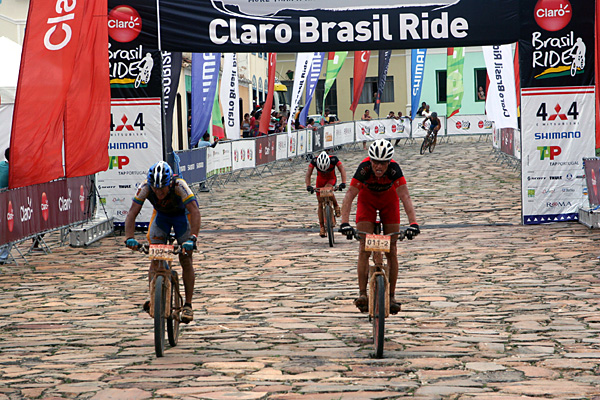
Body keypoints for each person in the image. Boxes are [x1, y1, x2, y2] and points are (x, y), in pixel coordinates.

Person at [339, 140, 419, 315]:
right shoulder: (364, 168)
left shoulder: (394, 170)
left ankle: (391, 296)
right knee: (363, 247)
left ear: (389, 162)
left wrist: (413, 223)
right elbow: (350, 194)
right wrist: (344, 222)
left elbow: (405, 196)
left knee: (392, 249)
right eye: (375, 162)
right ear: (371, 160)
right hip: (367, 200)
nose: (378, 166)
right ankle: (362, 294)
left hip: (389, 201)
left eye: (383, 162)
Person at [124, 161, 200, 323]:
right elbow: (132, 213)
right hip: (162, 218)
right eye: (155, 188)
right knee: (155, 256)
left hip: (182, 218)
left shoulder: (179, 186)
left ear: (169, 183)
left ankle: (188, 304)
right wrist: (129, 237)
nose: (158, 192)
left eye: (162, 188)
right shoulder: (145, 187)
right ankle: (154, 296)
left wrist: (193, 238)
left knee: (186, 259)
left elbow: (195, 211)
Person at [306, 151, 347, 238]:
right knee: (320, 203)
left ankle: (336, 205)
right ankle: (322, 227)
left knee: (328, 189)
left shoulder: (333, 159)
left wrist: (343, 182)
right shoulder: (314, 161)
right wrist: (308, 185)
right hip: (320, 181)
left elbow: (342, 170)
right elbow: (308, 174)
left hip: (331, 179)